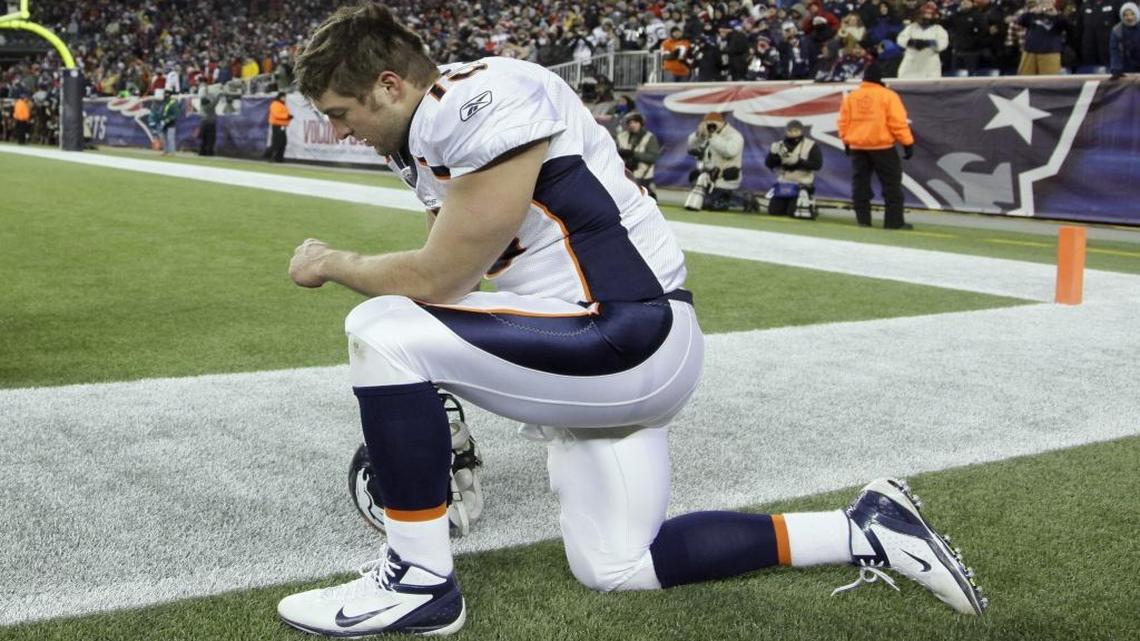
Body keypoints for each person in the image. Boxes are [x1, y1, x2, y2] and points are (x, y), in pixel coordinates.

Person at [277, 4, 985, 637]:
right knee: (617, 564)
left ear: (389, 86)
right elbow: (458, 272)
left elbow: (442, 276)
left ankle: (418, 582)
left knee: (383, 330)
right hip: (596, 343)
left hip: (623, 335)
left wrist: (334, 262)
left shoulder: (475, 100)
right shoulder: (428, 127)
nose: (339, 130)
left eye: (341, 111)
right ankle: (864, 528)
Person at [837, 64, 915, 230]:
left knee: (860, 184)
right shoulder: (888, 95)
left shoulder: (852, 96)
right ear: (881, 78)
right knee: (891, 184)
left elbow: (843, 122)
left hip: (858, 146)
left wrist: (845, 140)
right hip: (882, 146)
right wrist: (907, 143)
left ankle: (863, 220)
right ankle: (893, 222)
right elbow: (897, 122)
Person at [684, 112, 745, 211]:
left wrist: (712, 136)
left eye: (712, 124)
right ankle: (716, 197)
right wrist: (698, 135)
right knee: (699, 201)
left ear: (722, 123)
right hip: (708, 177)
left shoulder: (735, 135)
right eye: (707, 125)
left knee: (712, 204)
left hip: (724, 179)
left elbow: (729, 151)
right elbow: (691, 146)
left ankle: (744, 200)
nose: (710, 127)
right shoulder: (706, 134)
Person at [764, 119, 823, 217]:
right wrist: (772, 155)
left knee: (795, 213)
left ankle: (809, 206)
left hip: (802, 183)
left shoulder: (811, 145)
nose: (793, 133)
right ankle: (786, 204)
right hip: (784, 183)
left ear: (801, 131)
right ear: (786, 131)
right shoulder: (780, 145)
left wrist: (799, 162)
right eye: (790, 131)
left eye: (796, 131)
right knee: (774, 211)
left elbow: (817, 165)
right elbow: (769, 164)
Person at [896, 3, 950, 79]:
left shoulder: (938, 29)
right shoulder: (911, 27)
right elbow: (900, 39)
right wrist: (912, 42)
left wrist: (930, 43)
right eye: (924, 14)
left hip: (930, 65)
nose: (926, 17)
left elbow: (943, 44)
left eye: (929, 14)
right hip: (911, 64)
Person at [1017, 0, 1070, 75]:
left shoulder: (1058, 15)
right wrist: (1031, 12)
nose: (1044, 2)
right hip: (1030, 51)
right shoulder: (1032, 13)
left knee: (1048, 80)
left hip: (1050, 52)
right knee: (1025, 79)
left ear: (1053, 1)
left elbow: (1067, 26)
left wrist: (1055, 15)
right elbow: (1020, 21)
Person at [615, 112, 661, 198]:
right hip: (623, 174)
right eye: (630, 123)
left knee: (646, 199)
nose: (632, 125)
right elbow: (613, 153)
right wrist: (620, 153)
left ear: (641, 123)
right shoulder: (621, 136)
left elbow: (654, 158)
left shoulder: (649, 137)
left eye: (635, 122)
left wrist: (633, 154)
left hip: (643, 176)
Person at [1110, 3, 1140, 78]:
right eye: (1126, 15)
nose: (1129, 17)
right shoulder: (1116, 31)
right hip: (1126, 69)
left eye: (1132, 14)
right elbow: (1115, 51)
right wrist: (1116, 68)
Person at [268, 90, 292, 162]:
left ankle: (279, 158)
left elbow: (285, 114)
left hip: (282, 125)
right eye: (284, 97)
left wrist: (288, 117)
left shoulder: (282, 104)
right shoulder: (275, 104)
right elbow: (277, 114)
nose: (285, 98)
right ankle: (273, 157)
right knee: (277, 142)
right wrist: (287, 116)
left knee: (283, 142)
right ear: (280, 97)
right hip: (277, 125)